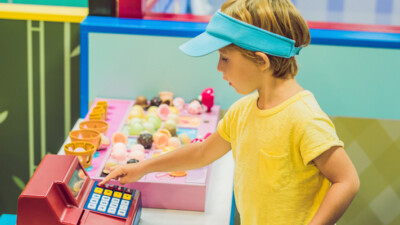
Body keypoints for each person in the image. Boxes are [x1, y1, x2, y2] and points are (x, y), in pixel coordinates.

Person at [100, 0, 360, 224]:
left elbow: (347, 181)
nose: (218, 68)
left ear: (262, 60)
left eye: (225, 58)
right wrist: (142, 168)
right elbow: (202, 152)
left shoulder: (305, 119)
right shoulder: (243, 110)